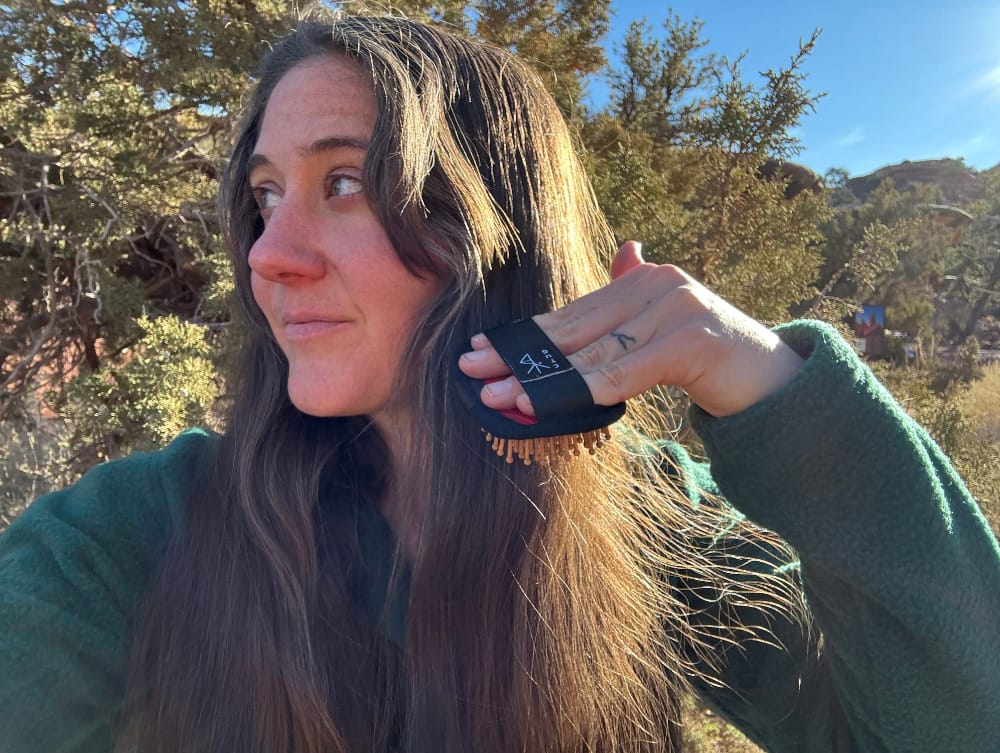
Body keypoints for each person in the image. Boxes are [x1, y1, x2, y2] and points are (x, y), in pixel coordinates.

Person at [1, 13, 998, 753]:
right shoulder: (132, 535)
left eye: (342, 182)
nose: (269, 256)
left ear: (493, 232)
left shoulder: (654, 527)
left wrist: (783, 393)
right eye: (265, 197)